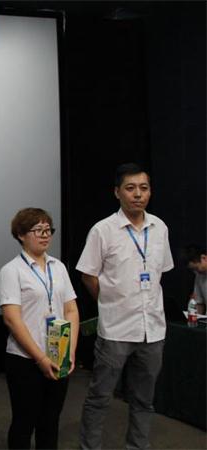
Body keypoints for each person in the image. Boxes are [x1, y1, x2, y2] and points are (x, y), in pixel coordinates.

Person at [77, 163, 173, 449]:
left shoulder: (160, 227)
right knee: (100, 397)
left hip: (152, 329)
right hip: (116, 329)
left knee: (144, 400)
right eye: (130, 188)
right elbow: (88, 275)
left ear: (150, 191)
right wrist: (109, 301)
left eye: (144, 188)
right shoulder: (103, 230)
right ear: (117, 192)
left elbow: (161, 272)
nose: (138, 194)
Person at [0, 208, 79, 449]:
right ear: (21, 235)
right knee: (24, 422)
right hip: (25, 359)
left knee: (50, 421)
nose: (45, 235)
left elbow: (71, 310)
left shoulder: (58, 267)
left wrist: (70, 350)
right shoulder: (12, 270)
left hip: (58, 353)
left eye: (48, 230)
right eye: (38, 230)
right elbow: (12, 319)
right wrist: (40, 358)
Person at [185, 244, 207, 315]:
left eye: (196, 268)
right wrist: (194, 316)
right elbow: (198, 303)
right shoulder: (199, 276)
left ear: (204, 258)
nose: (196, 272)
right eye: (193, 270)